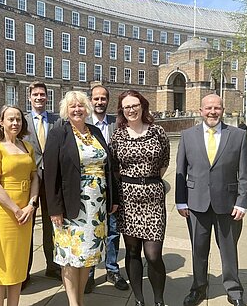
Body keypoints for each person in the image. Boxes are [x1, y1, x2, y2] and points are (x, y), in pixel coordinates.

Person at [175, 94, 247, 306]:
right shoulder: (187, 135)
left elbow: (244, 173)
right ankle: (198, 288)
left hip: (228, 205)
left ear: (223, 110)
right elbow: (180, 170)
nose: (212, 112)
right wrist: (181, 201)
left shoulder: (237, 135)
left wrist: (242, 202)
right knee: (199, 250)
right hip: (195, 203)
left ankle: (234, 290)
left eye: (217, 108)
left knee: (229, 250)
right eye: (208, 108)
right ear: (200, 110)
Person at [44, 91, 118, 306]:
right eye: (72, 106)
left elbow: (108, 167)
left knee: (88, 255)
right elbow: (51, 174)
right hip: (70, 206)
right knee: (70, 255)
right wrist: (54, 208)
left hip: (97, 206)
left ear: (87, 108)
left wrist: (112, 198)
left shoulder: (95, 131)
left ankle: (81, 300)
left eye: (80, 106)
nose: (77, 110)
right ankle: (73, 303)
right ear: (66, 110)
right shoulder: (59, 133)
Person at [110, 90, 170, 306]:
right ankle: (139, 299)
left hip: (153, 197)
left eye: (135, 105)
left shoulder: (158, 131)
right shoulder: (118, 135)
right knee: (133, 251)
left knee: (153, 254)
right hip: (128, 198)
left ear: (143, 106)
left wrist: (148, 180)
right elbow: (115, 167)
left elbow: (164, 161)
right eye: (127, 107)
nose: (131, 110)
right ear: (122, 111)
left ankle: (159, 300)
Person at [0, 105, 39, 306]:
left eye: (18, 119)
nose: (15, 123)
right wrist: (16, 209)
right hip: (2, 212)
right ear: (1, 122)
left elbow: (35, 178)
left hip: (26, 210)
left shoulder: (28, 147)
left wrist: (31, 205)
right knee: (1, 263)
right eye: (11, 119)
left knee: (18, 263)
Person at [85, 85, 129, 293]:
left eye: (103, 98)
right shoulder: (83, 124)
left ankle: (112, 269)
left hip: (113, 185)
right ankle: (90, 274)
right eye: (96, 98)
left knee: (112, 230)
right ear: (90, 100)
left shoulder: (117, 124)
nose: (99, 102)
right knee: (91, 230)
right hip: (90, 187)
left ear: (108, 101)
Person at [23, 81, 62, 286]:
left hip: (52, 180)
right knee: (26, 225)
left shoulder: (57, 120)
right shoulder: (23, 121)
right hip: (30, 180)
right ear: (29, 97)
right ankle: (24, 271)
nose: (39, 98)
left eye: (42, 94)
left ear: (47, 97)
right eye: (35, 94)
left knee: (51, 224)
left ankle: (52, 266)